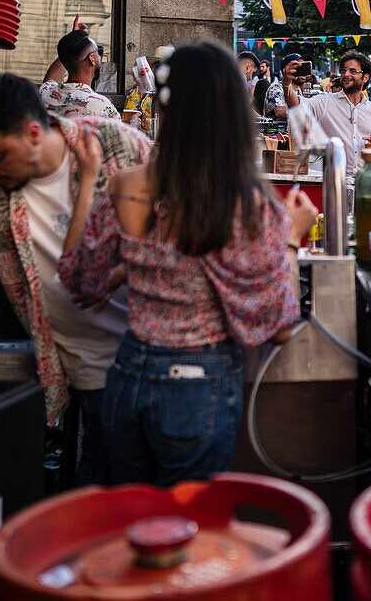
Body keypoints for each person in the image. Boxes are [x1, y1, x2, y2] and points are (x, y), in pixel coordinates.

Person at [58, 42, 317, 486]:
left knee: (136, 523)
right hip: (198, 384)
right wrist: (291, 239)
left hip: (126, 377)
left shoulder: (127, 185)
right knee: (188, 528)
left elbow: (82, 277)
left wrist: (88, 182)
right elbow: (277, 324)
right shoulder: (245, 202)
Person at [0, 74, 152, 483]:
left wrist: (128, 266)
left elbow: (182, 213)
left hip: (152, 351)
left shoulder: (116, 145)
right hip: (88, 368)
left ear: (34, 132)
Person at [284, 50, 371, 176]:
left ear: (365, 77)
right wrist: (286, 83)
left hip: (366, 183)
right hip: (335, 182)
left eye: (352, 71)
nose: (346, 75)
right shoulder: (325, 101)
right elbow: (296, 105)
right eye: (343, 71)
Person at [41, 18, 120, 119]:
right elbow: (122, 133)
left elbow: (50, 79)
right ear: (91, 58)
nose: (100, 57)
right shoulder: (101, 106)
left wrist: (72, 48)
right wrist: (133, 121)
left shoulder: (46, 94)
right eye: (99, 51)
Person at [265, 53, 304, 118]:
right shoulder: (275, 88)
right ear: (285, 70)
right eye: (297, 68)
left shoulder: (300, 91)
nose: (302, 71)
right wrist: (307, 111)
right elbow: (278, 111)